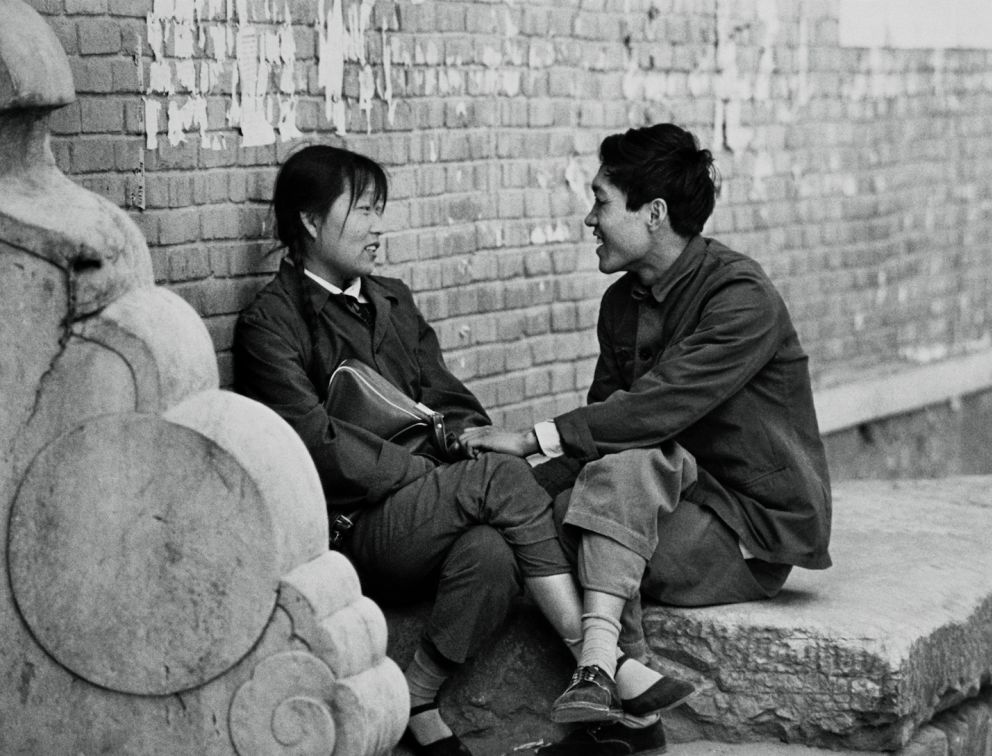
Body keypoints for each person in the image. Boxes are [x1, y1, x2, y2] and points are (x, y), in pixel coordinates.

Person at [233, 144, 691, 756]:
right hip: (355, 525)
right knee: (500, 479)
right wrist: (427, 474)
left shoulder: (391, 299)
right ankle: (599, 664)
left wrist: (460, 447)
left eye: (380, 210)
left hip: (429, 510)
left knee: (492, 552)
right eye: (363, 211)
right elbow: (315, 445)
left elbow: (450, 400)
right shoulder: (271, 322)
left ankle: (419, 696)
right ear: (311, 222)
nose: (378, 227)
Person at [461, 123, 833, 755]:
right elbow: (604, 426)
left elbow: (655, 412)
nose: (589, 218)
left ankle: (611, 687)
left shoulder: (741, 297)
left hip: (747, 527)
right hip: (662, 500)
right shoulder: (622, 304)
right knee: (540, 510)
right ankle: (620, 693)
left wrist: (530, 439)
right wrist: (505, 484)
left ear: (653, 213)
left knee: (615, 480)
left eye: (602, 200)